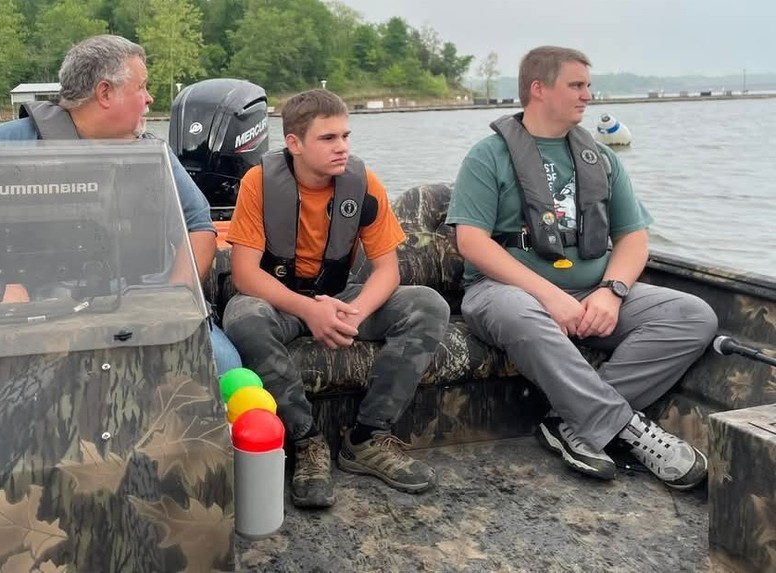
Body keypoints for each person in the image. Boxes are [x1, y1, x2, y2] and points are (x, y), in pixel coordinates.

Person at [446, 46, 718, 489]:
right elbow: (471, 242)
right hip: (500, 293)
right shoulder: (488, 155)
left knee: (693, 315)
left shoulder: (602, 158)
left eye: (588, 85)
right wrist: (550, 296)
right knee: (524, 313)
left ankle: (569, 423)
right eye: (576, 85)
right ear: (539, 89)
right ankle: (629, 429)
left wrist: (613, 291)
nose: (588, 95)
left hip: (591, 291)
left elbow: (633, 237)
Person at [222, 89, 450, 508]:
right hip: (281, 300)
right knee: (243, 318)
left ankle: (367, 438)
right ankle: (307, 442)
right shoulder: (258, 183)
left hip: (343, 296)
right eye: (328, 138)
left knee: (428, 305)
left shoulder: (362, 184)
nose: (342, 147)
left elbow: (388, 271)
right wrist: (311, 310)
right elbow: (245, 274)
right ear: (294, 143)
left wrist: (350, 313)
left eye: (345, 135)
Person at [0, 34, 241, 376]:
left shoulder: (154, 153)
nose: (150, 99)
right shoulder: (3, 146)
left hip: (144, 307)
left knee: (226, 366)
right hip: (41, 312)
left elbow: (199, 226)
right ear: (105, 93)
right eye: (142, 87)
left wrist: (174, 297)